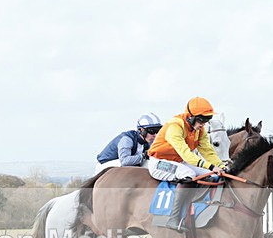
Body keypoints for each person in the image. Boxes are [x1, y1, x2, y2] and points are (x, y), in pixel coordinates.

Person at [148, 97, 228, 231]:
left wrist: (221, 166)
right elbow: (186, 154)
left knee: (212, 174)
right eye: (201, 120)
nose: (203, 124)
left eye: (206, 120)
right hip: (159, 162)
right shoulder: (175, 126)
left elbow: (208, 152)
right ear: (190, 117)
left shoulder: (199, 131)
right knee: (188, 174)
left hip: (178, 161)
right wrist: (210, 166)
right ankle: (173, 218)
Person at [96, 113, 162, 171]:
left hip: (122, 162)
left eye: (158, 131)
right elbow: (125, 161)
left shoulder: (148, 140)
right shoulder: (127, 140)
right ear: (142, 130)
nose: (155, 135)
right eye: (152, 131)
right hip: (105, 164)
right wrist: (144, 156)